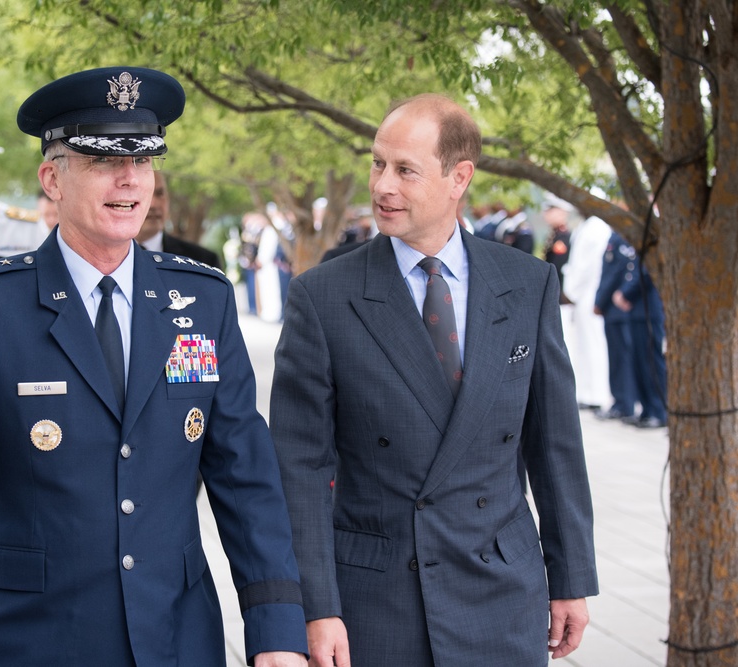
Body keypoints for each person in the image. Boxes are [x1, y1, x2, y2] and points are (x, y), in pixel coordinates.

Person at [0, 66, 308, 667]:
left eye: (142, 162)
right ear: (51, 179)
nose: (128, 179)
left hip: (176, 636)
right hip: (30, 638)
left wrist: (276, 629)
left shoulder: (202, 300)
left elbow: (245, 476)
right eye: (101, 161)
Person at [270, 93, 598, 667]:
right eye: (377, 163)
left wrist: (570, 575)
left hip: (502, 592)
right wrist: (315, 607)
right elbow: (299, 468)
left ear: (458, 178)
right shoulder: (322, 296)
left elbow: (554, 444)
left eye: (405, 170)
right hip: (376, 600)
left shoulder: (527, 284)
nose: (382, 186)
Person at [593, 231, 667, 428]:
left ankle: (658, 411)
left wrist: (626, 294)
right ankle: (647, 409)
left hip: (647, 308)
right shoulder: (637, 235)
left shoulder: (651, 233)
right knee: (639, 362)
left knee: (651, 361)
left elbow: (645, 270)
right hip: (636, 310)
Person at [561, 212, 612, 411]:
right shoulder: (588, 226)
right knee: (583, 346)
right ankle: (588, 392)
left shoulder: (595, 228)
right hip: (582, 294)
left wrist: (570, 292)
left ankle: (597, 395)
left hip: (588, 293)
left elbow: (583, 267)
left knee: (593, 346)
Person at [136, 170, 221, 267]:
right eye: (145, 194)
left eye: (160, 194)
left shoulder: (202, 262)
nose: (154, 204)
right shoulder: (115, 262)